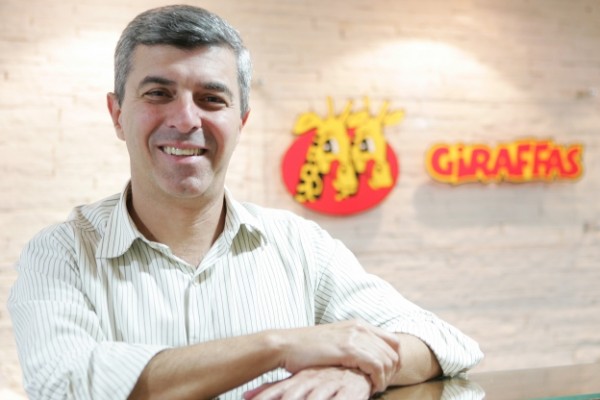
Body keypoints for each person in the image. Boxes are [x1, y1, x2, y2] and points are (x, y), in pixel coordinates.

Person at [8, 5, 483, 400]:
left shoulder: (300, 244)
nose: (186, 119)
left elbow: (444, 341)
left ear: (241, 121)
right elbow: (64, 383)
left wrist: (357, 370)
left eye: (211, 99)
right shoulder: (62, 253)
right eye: (159, 93)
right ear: (117, 114)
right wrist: (278, 347)